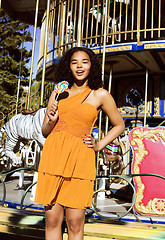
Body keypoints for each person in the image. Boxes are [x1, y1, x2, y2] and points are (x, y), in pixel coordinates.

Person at [34, 47, 125, 240]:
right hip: (54, 156)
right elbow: (44, 131)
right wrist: (50, 119)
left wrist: (99, 145)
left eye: (84, 61)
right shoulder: (59, 93)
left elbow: (119, 125)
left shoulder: (100, 94)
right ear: (68, 66)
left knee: (75, 222)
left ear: (92, 65)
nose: (79, 66)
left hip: (80, 158)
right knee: (52, 220)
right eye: (74, 62)